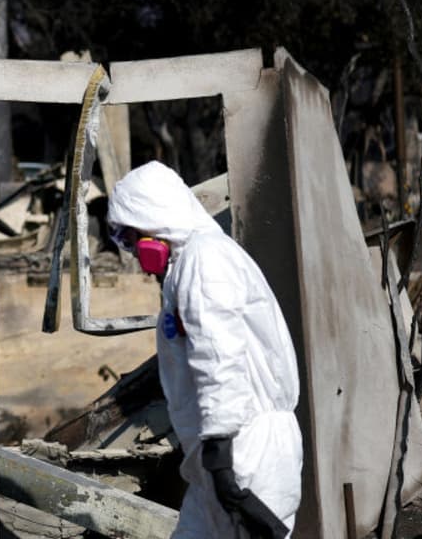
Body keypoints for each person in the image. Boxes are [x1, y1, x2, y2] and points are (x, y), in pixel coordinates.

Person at [106, 161, 302, 539]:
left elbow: (218, 355)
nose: (135, 253)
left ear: (154, 215)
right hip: (219, 454)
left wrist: (220, 443)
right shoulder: (188, 265)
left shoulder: (204, 259)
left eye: (133, 237)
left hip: (244, 449)